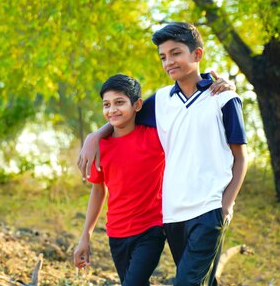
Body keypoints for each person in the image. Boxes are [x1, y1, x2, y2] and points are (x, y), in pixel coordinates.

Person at [78, 22, 248, 286]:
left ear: (197, 54)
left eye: (176, 53)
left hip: (210, 208)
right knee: (199, 279)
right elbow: (122, 115)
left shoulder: (224, 99)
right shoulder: (162, 101)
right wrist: (93, 137)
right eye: (163, 57)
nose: (169, 61)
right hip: (173, 214)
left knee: (188, 282)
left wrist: (226, 204)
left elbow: (241, 157)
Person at [73, 74, 165, 286]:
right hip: (116, 233)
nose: (112, 110)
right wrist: (85, 236)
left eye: (120, 102)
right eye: (106, 104)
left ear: (137, 105)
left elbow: (178, 93)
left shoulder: (155, 137)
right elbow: (98, 191)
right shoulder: (100, 147)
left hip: (151, 229)